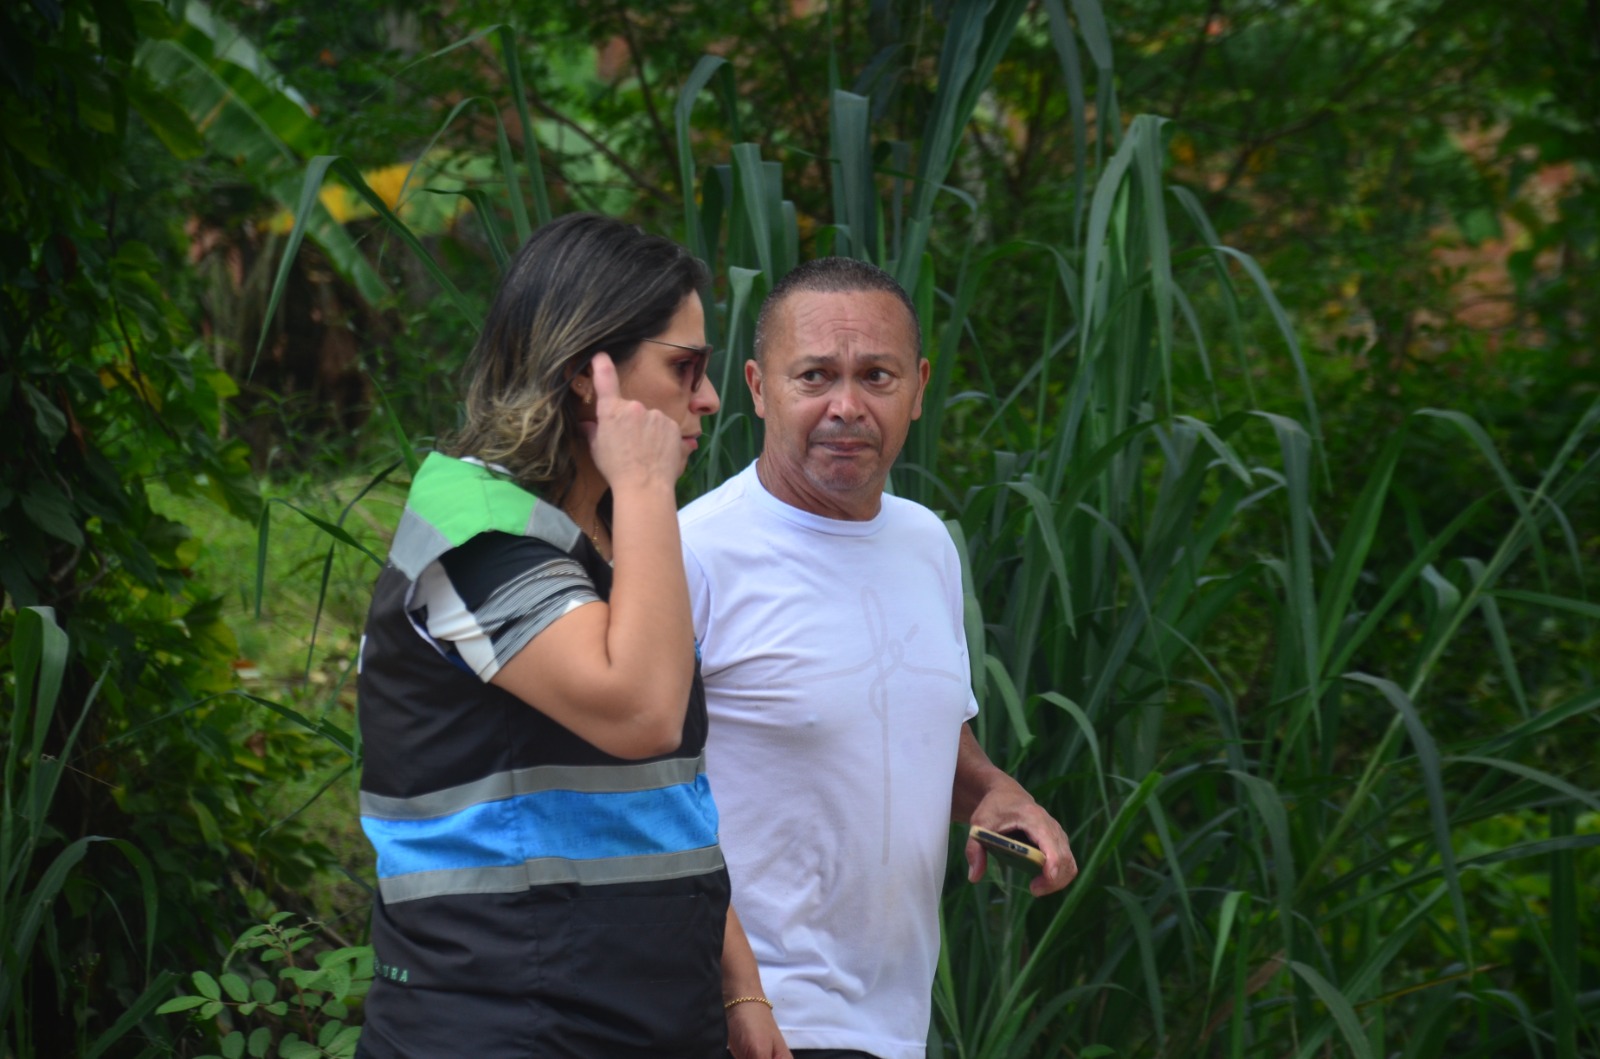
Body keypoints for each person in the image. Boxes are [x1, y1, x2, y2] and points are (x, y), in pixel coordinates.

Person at [354, 214, 788, 1058]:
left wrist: (740, 987)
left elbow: (667, 798)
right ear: (590, 374)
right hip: (506, 1022)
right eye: (684, 367)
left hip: (641, 1016)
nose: (707, 397)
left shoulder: (611, 539)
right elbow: (642, 714)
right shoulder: (476, 532)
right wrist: (647, 481)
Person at [679, 257, 1079, 1059]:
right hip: (755, 1022)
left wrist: (997, 792)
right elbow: (632, 790)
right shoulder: (691, 553)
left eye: (876, 376)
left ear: (918, 387)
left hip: (894, 1024)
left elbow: (924, 737)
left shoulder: (926, 542)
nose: (847, 406)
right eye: (815, 376)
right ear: (758, 388)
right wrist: (736, 995)